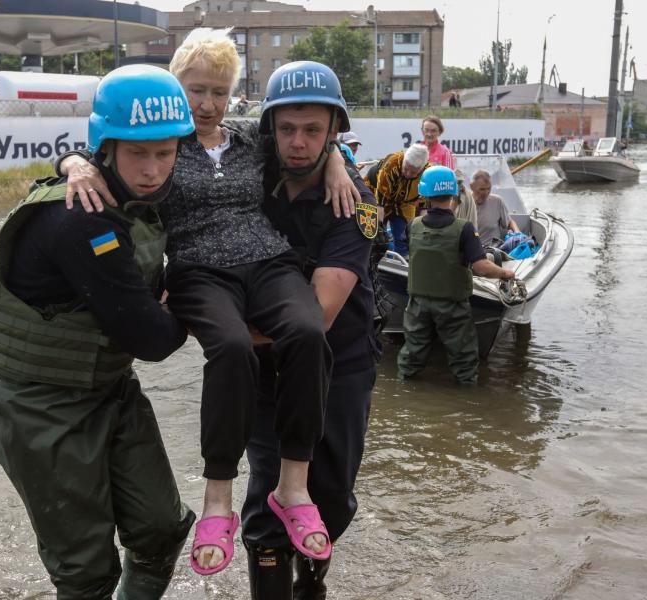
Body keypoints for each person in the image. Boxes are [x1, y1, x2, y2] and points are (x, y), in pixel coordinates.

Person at [55, 29, 362, 576]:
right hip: (200, 270)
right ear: (175, 88)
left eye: (219, 92)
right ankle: (218, 498)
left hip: (269, 264)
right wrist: (72, 165)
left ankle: (293, 490)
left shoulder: (250, 141)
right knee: (231, 346)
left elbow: (307, 142)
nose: (207, 104)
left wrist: (336, 157)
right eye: (195, 90)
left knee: (309, 331)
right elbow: (102, 153)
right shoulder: (165, 147)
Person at [0, 65, 197, 600]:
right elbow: (154, 340)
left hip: (109, 391)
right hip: (41, 408)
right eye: (137, 153)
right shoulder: (82, 219)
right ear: (107, 148)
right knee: (85, 574)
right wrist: (181, 307)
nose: (152, 170)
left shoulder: (133, 192)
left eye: (164, 153)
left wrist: (333, 155)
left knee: (162, 530)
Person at [243, 61, 380, 600]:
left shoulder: (355, 202)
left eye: (313, 131)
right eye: (286, 129)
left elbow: (319, 314)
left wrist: (224, 327)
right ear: (269, 128)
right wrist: (78, 163)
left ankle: (313, 580)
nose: (298, 144)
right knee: (265, 499)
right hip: (266, 372)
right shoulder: (246, 181)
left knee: (331, 495)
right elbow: (163, 157)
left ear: (334, 133)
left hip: (340, 364)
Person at [397, 166, 515, 384]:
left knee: (411, 358)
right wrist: (505, 273)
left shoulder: (413, 226)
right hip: (452, 307)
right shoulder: (465, 229)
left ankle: (405, 391)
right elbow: (481, 267)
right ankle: (466, 406)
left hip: (417, 305)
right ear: (454, 194)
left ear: (425, 195)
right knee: (464, 363)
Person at [374, 143, 430, 257]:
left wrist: (422, 230)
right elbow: (380, 204)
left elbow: (424, 207)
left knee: (406, 237)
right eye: (406, 168)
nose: (408, 174)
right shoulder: (392, 164)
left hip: (405, 203)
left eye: (413, 172)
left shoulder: (427, 174)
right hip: (377, 198)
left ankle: (404, 264)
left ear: (421, 169)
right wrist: (379, 227)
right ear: (404, 159)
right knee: (376, 236)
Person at [470, 169, 519, 245]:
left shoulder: (497, 201)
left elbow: (509, 223)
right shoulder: (464, 204)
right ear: (472, 187)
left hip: (493, 249)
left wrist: (518, 234)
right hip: (471, 250)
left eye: (489, 188)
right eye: (482, 189)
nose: (486, 193)